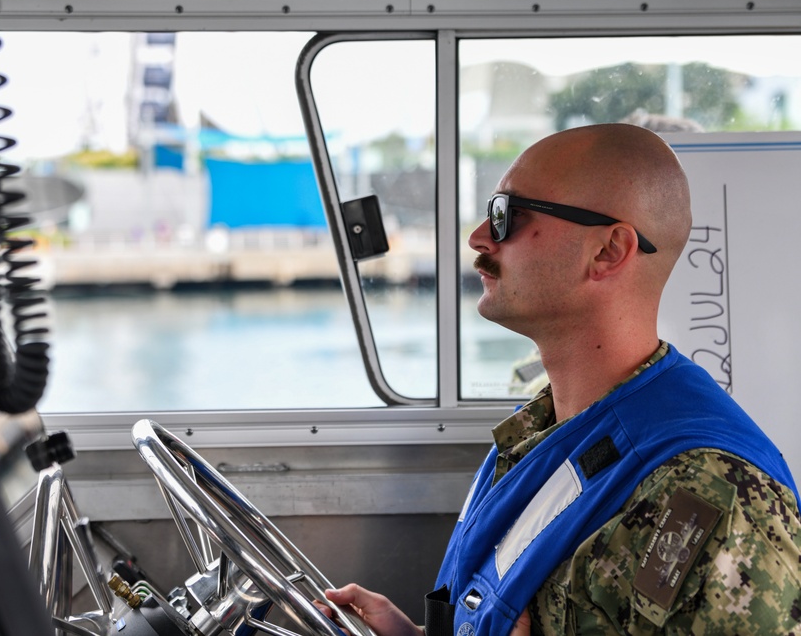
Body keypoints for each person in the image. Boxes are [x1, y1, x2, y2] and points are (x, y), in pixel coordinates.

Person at [318, 124, 801, 635]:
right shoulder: (548, 431)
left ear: (609, 251)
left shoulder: (708, 493)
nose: (480, 237)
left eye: (508, 215)